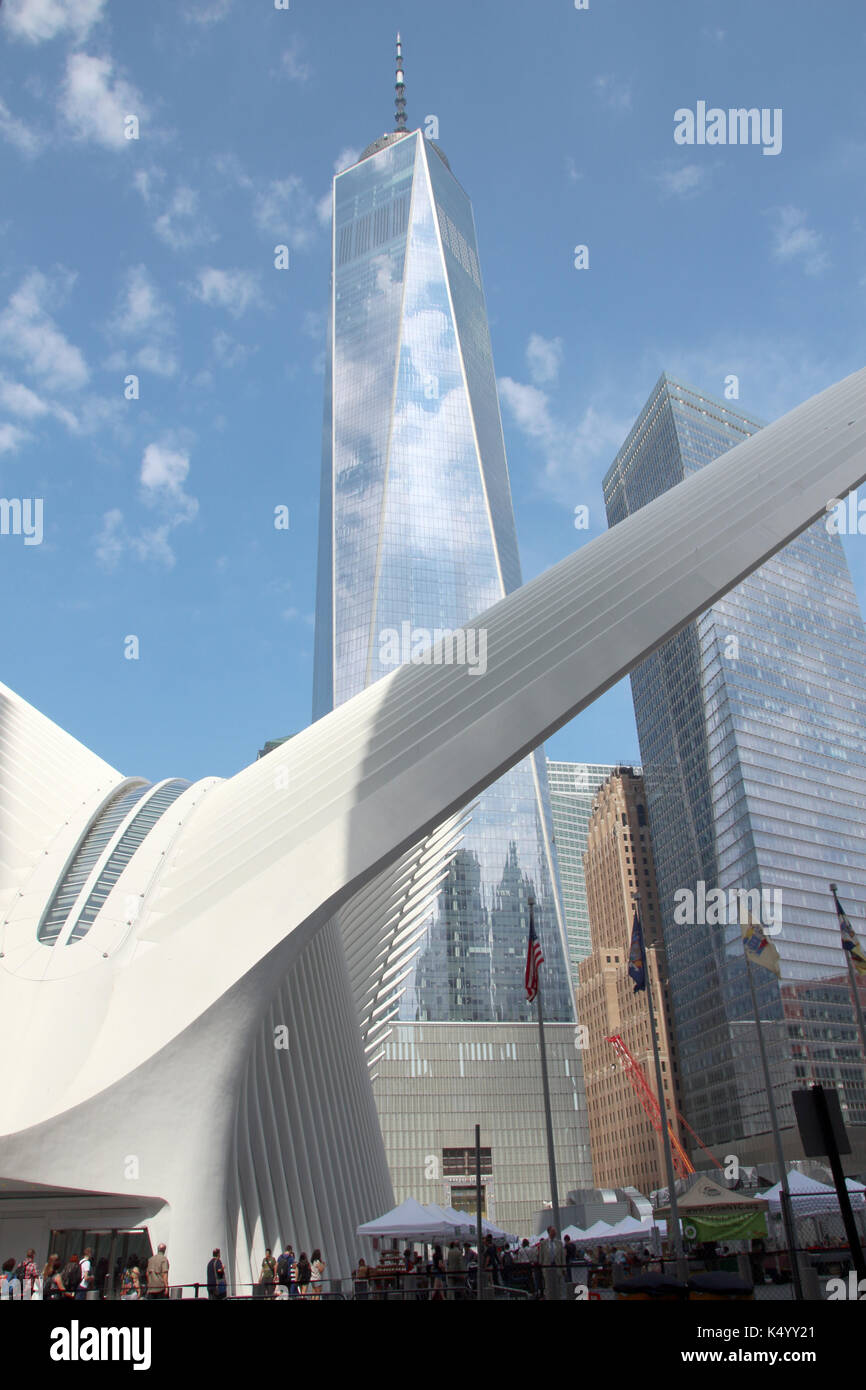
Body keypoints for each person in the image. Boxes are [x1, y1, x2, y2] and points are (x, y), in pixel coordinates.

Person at [538, 1226, 564, 1301]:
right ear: (549, 1232)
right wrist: (542, 1268)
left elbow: (562, 1256)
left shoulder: (559, 1243)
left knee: (558, 1286)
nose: (554, 1233)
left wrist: (563, 1268)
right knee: (548, 1286)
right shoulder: (543, 1243)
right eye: (553, 1231)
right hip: (547, 1268)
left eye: (555, 1231)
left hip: (557, 1267)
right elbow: (541, 1257)